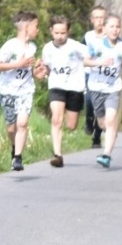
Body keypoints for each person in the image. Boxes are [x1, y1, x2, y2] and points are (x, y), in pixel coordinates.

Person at [0, 11, 40, 171]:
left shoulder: (32, 47)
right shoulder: (10, 45)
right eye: (36, 26)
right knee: (11, 128)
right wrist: (18, 64)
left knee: (23, 123)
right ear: (26, 27)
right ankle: (14, 148)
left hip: (25, 90)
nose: (38, 30)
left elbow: (29, 70)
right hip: (7, 91)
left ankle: (18, 157)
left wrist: (38, 72)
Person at [41, 17, 88, 167]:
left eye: (63, 33)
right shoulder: (47, 48)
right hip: (57, 85)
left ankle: (81, 120)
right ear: (51, 31)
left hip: (75, 87)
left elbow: (89, 59)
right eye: (56, 33)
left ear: (68, 32)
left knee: (71, 126)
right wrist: (42, 71)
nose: (60, 36)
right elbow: (47, 68)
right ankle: (58, 155)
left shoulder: (77, 47)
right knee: (56, 119)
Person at [83, 13, 122, 169]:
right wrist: (99, 62)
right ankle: (108, 133)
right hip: (96, 88)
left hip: (113, 89)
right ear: (105, 28)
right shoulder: (97, 45)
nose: (115, 30)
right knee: (102, 123)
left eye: (117, 27)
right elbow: (84, 61)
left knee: (110, 120)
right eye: (111, 26)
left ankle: (106, 154)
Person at [83, 5, 107, 146]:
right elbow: (80, 53)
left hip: (105, 76)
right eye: (96, 18)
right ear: (92, 20)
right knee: (89, 100)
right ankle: (88, 119)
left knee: (101, 107)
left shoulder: (111, 35)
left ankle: (97, 137)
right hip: (90, 73)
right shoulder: (87, 36)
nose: (99, 21)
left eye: (102, 18)